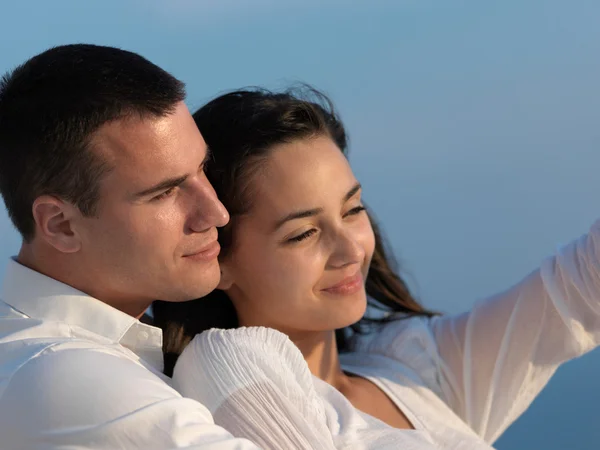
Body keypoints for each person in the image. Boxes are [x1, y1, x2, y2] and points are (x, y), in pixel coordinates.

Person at [153, 87, 600, 449]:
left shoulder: (411, 366)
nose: (350, 249)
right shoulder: (225, 365)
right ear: (218, 259)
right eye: (303, 233)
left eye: (353, 210)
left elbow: (577, 289)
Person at [0, 44, 261, 449]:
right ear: (61, 225)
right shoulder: (63, 375)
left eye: (202, 169)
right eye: (165, 192)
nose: (216, 213)